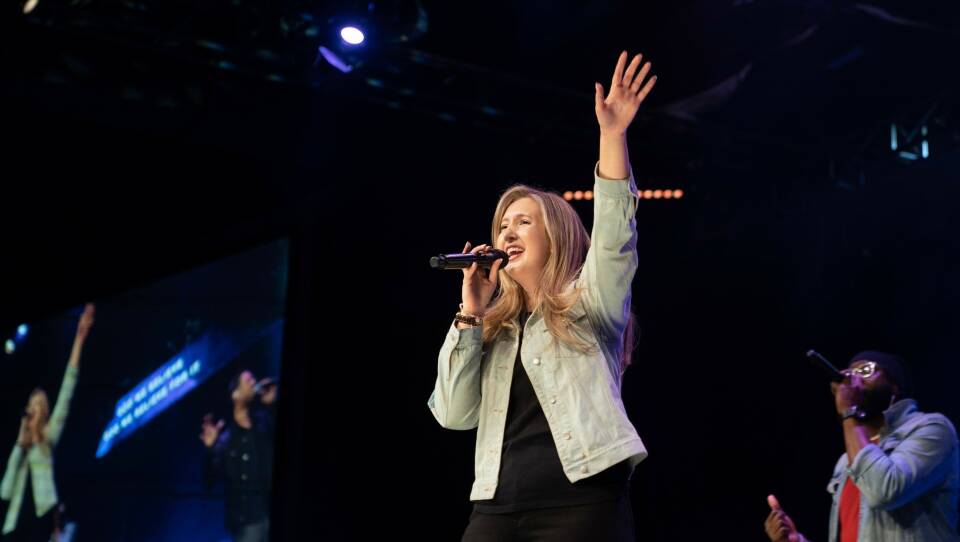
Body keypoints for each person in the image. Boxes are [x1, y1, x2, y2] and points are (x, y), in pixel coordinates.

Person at [428, 51, 657, 541]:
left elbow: (617, 235)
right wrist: (471, 312)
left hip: (580, 500)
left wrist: (612, 135)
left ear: (555, 237)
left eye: (523, 222)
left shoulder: (588, 302)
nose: (507, 232)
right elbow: (453, 414)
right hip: (496, 505)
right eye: (503, 225)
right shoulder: (493, 327)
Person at [765, 351, 960, 542]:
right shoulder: (845, 461)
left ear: (894, 387)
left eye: (866, 370)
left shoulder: (931, 428)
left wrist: (848, 411)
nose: (853, 378)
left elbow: (885, 491)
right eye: (849, 373)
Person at [1, 303, 95, 541]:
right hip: (14, 527)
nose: (33, 409)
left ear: (44, 413)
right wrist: (19, 445)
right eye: (31, 404)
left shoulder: (48, 436)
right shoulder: (22, 446)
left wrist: (79, 339)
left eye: (39, 405)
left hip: (40, 519)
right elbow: (5, 491)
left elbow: (67, 390)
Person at [201, 370, 277, 542]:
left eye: (253, 378)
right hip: (248, 523)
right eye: (248, 379)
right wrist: (210, 449)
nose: (254, 381)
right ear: (235, 394)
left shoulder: (265, 421)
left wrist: (273, 404)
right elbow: (209, 481)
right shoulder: (226, 439)